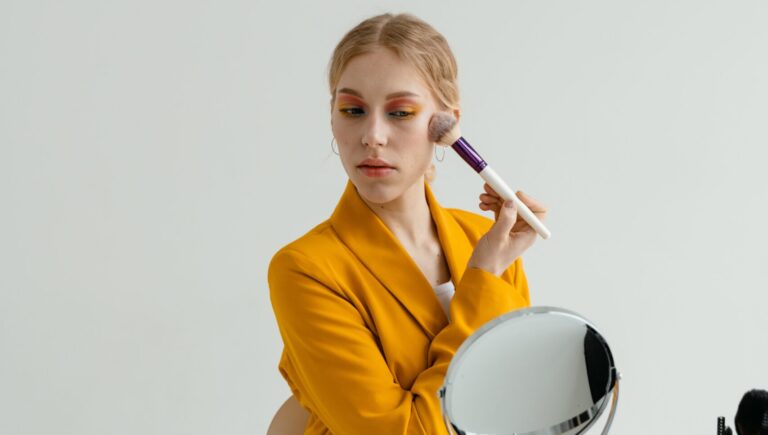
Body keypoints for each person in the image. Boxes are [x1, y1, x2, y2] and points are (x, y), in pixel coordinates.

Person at [268, 13, 547, 434]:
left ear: (446, 125)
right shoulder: (306, 269)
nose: (372, 135)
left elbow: (521, 401)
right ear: (332, 118)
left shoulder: (483, 238)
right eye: (352, 110)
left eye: (400, 113)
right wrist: (483, 279)